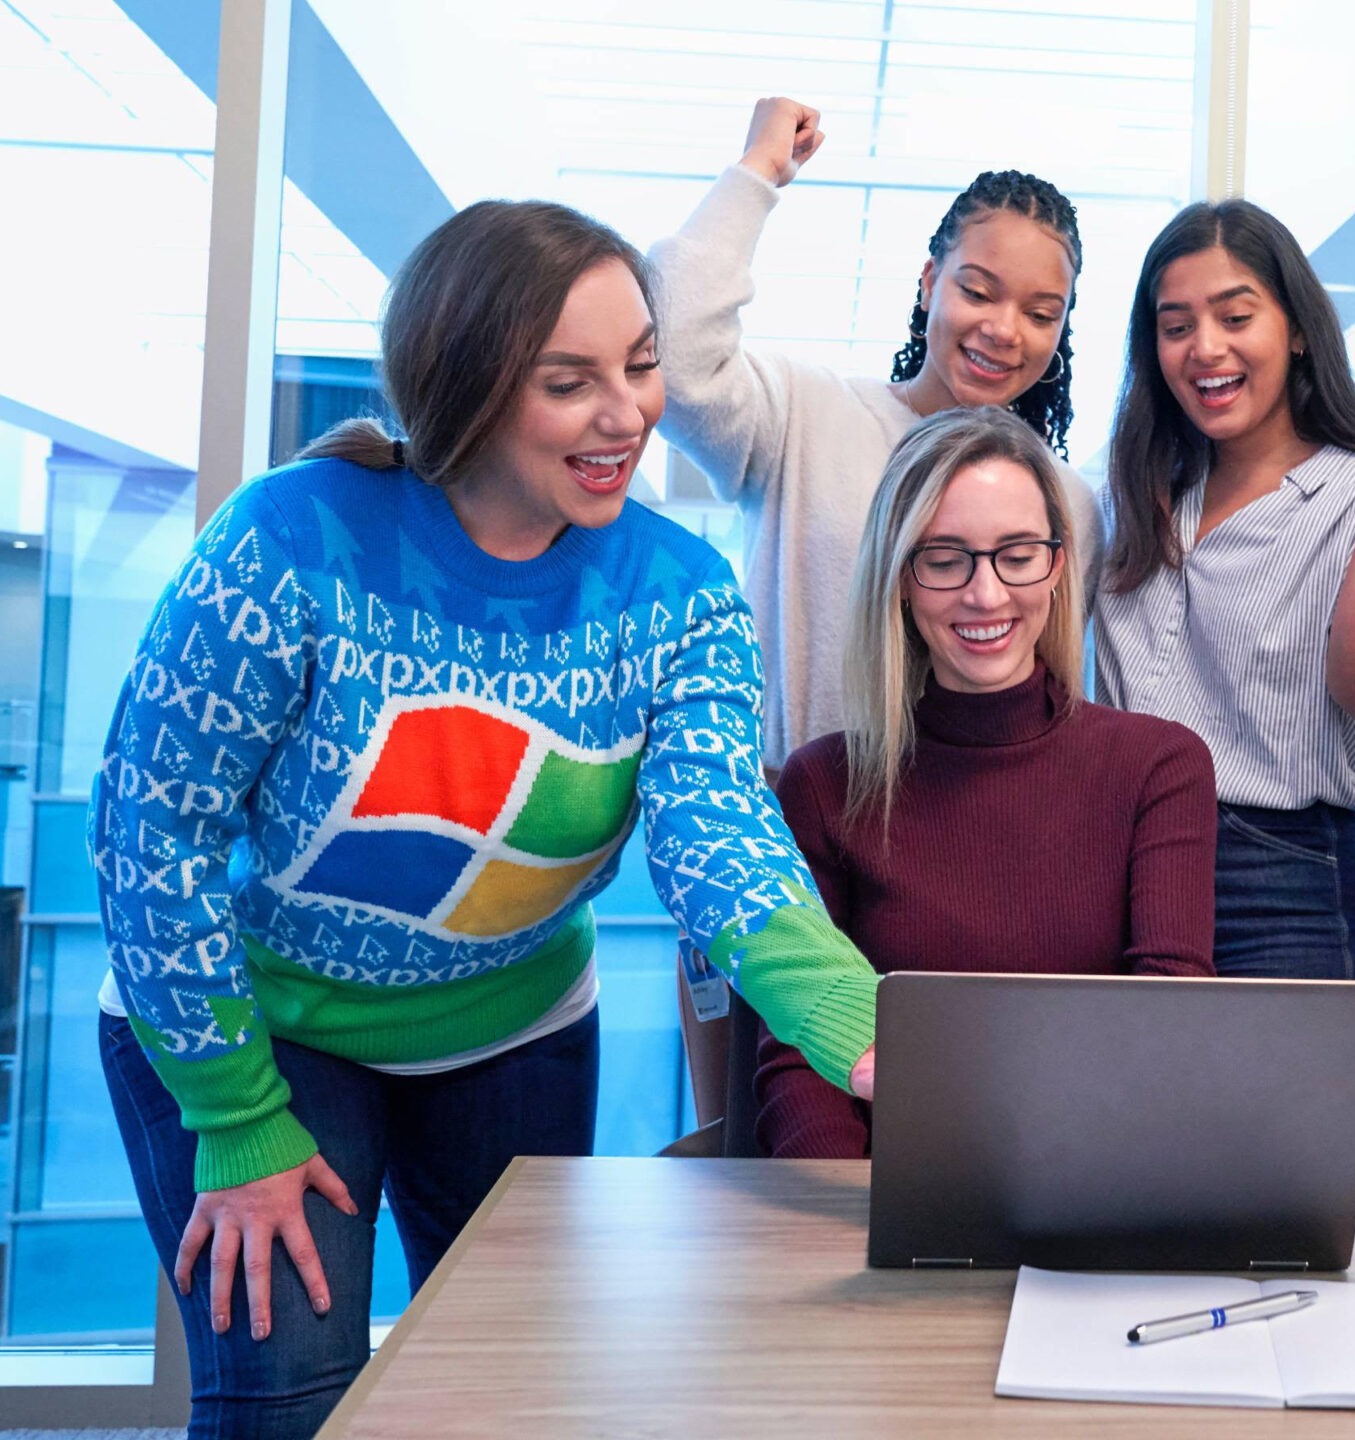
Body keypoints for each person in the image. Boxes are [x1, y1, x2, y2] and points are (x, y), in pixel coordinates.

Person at [90, 201, 880, 1438]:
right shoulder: (290, 542)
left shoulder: (679, 593)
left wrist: (861, 1024)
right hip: (259, 1027)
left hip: (511, 1029)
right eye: (570, 382)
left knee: (514, 1395)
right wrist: (237, 1117)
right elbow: (152, 832)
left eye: (639, 365)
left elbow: (714, 826)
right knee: (290, 1403)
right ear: (465, 387)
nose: (626, 414)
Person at [755, 407, 1218, 1156]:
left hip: (1099, 1186)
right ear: (900, 580)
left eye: (1017, 554)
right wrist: (847, 1217)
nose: (986, 594)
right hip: (891, 1200)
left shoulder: (1159, 769)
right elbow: (800, 1055)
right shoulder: (824, 784)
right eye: (945, 558)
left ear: (1058, 566)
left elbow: (1165, 1023)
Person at [650, 95, 1096, 763]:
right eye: (977, 291)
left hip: (963, 833)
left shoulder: (1066, 501)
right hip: (790, 821)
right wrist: (758, 171)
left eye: (1040, 312)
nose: (1004, 330)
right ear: (928, 284)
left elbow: (1051, 694)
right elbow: (675, 357)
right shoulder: (805, 414)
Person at [1095, 199, 1355, 981]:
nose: (1205, 348)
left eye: (1236, 316)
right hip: (1114, 863)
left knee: (1278, 1107)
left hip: (1280, 879)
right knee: (1121, 1106)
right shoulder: (1129, 492)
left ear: (1295, 330)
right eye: (1176, 324)